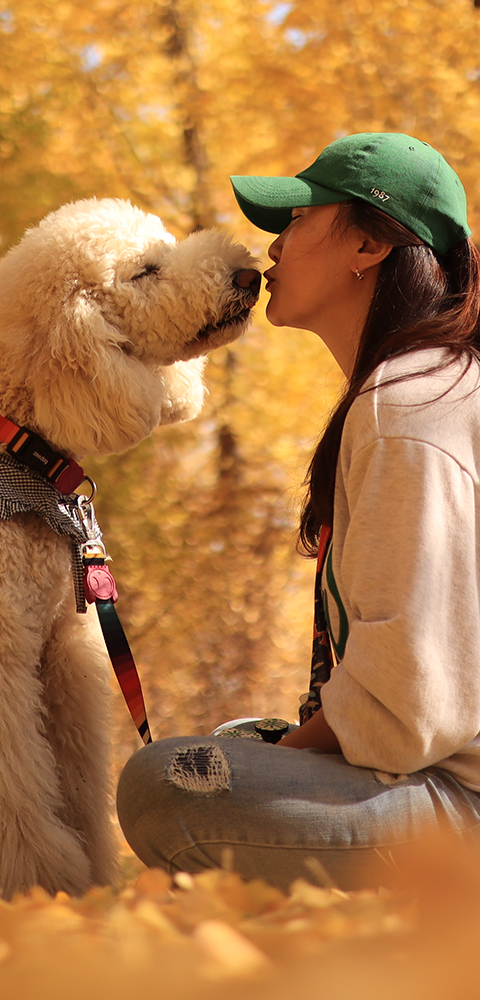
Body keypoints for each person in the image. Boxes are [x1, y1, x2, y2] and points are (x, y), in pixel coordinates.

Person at [116, 132, 480, 891]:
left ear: (368, 245)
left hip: (459, 810)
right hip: (443, 786)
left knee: (166, 783)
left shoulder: (408, 406)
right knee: (218, 757)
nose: (272, 248)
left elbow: (411, 704)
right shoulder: (434, 385)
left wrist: (280, 758)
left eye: (298, 219)